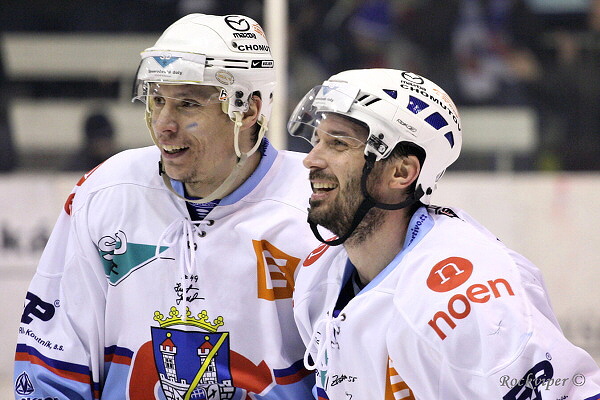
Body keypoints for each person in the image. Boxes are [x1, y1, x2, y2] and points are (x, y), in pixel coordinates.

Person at [14, 13, 320, 400]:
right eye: (157, 100)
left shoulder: (316, 209)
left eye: (187, 104)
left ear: (248, 110)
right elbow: (51, 365)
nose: (163, 124)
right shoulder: (107, 192)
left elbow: (349, 372)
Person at [288, 68, 600, 399]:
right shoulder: (318, 276)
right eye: (317, 141)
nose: (311, 159)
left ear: (401, 172)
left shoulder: (470, 298)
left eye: (338, 143)